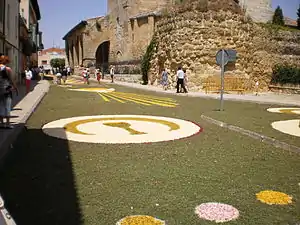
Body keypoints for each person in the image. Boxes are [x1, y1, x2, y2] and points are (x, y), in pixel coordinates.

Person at [0, 54, 18, 129]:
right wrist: (16, 88)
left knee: (0, 107)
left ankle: (2, 124)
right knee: (7, 107)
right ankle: (7, 124)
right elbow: (11, 80)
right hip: (7, 90)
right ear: (6, 61)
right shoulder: (8, 69)